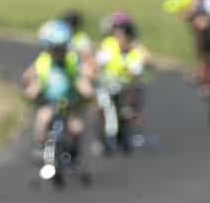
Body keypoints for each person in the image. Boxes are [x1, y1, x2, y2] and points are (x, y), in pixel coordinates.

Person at [21, 19, 95, 172]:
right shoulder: (43, 63)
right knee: (43, 118)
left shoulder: (71, 63)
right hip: (49, 102)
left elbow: (80, 80)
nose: (58, 52)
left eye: (61, 48)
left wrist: (87, 92)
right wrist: (31, 90)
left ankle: (74, 152)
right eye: (55, 49)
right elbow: (31, 79)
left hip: (69, 104)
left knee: (76, 128)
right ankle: (40, 147)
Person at [95, 12, 151, 152]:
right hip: (108, 84)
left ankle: (131, 132)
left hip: (127, 87)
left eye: (122, 35)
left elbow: (140, 66)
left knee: (131, 107)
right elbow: (97, 62)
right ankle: (104, 136)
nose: (119, 38)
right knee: (101, 107)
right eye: (116, 34)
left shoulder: (136, 50)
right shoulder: (108, 46)